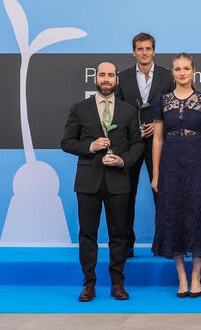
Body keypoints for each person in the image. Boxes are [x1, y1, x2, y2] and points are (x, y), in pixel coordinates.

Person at [61, 62, 144, 302]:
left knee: (119, 234)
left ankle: (117, 283)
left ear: (116, 80)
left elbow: (138, 144)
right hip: (88, 182)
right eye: (102, 75)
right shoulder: (80, 109)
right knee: (88, 234)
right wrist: (90, 146)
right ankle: (89, 283)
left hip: (118, 181)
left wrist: (123, 160)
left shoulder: (129, 110)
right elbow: (67, 142)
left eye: (110, 75)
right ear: (95, 78)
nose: (106, 79)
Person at [150, 53, 201, 298]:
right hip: (170, 165)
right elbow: (157, 139)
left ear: (194, 71)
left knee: (197, 216)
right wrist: (156, 174)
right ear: (173, 72)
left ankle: (196, 276)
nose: (182, 73)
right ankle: (181, 276)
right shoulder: (161, 101)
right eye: (178, 69)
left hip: (198, 164)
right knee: (174, 217)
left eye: (186, 68)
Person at [115, 32, 174, 258]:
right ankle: (126, 244)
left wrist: (160, 127)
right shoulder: (123, 77)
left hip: (160, 143)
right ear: (133, 52)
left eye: (148, 48)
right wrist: (132, 129)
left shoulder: (168, 76)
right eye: (140, 49)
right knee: (126, 194)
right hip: (130, 144)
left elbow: (174, 108)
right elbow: (117, 110)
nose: (144, 53)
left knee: (162, 193)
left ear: (154, 51)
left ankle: (164, 243)